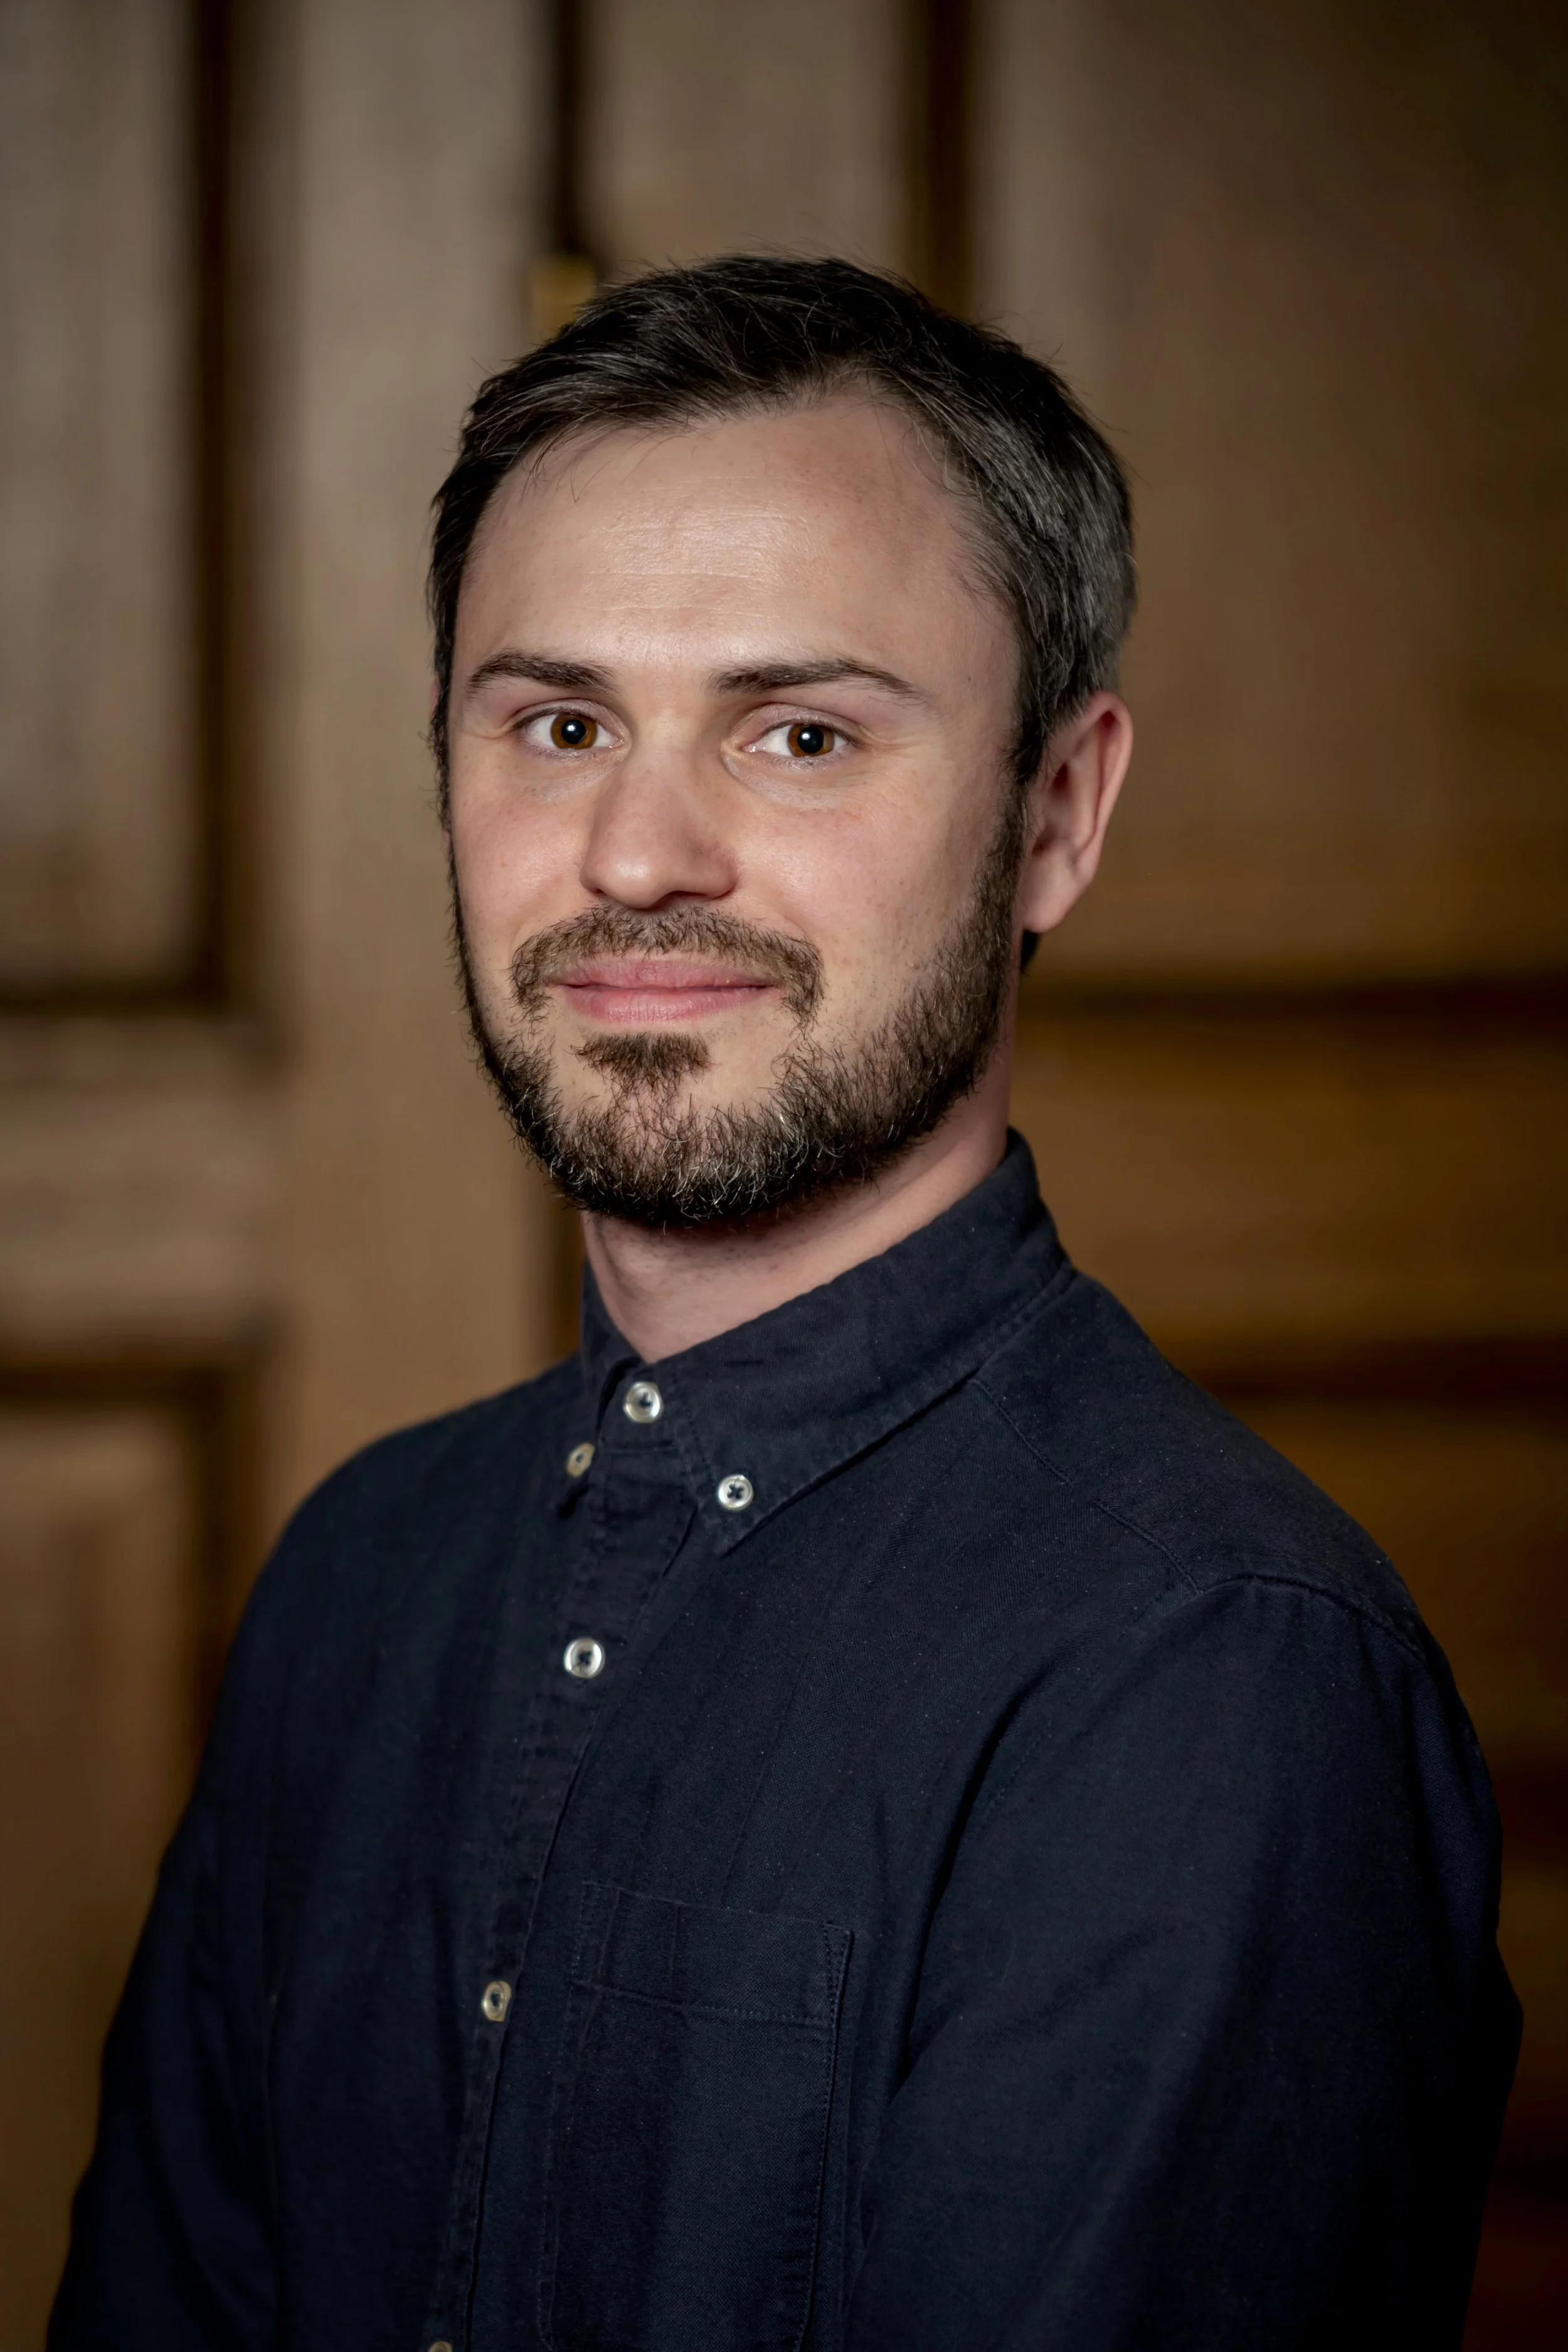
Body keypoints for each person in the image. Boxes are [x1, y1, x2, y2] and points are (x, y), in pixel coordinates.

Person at [53, 256, 1518, 2351]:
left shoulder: (1207, 1683)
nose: (639, 851)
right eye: (558, 723)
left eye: (800, 732)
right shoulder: (359, 1573)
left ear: (1056, 812)